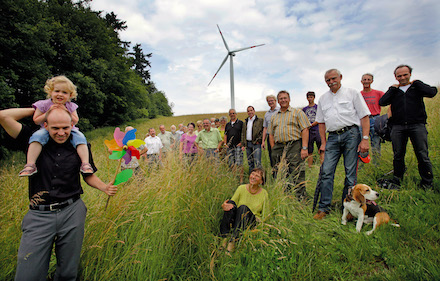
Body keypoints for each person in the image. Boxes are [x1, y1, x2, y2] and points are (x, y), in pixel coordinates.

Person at [0, 107, 117, 281]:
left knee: (68, 272)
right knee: (28, 274)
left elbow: (88, 175)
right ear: (45, 124)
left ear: (72, 125)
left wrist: (103, 187)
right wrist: (39, 107)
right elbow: (3, 116)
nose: (61, 133)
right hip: (39, 214)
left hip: (72, 211)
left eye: (65, 128)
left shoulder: (79, 144)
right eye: (55, 128)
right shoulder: (32, 139)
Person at [314, 69, 371, 220]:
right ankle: (323, 208)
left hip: (351, 135)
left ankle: (350, 208)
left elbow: (364, 117)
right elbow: (321, 122)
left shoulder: (352, 93)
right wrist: (323, 144)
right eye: (327, 80)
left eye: (333, 78)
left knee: (350, 174)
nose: (331, 82)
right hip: (332, 137)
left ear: (340, 77)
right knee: (326, 172)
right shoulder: (323, 99)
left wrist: (365, 139)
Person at [19, 75, 93, 177]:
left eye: (64, 92)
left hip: (69, 129)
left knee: (80, 138)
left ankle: (85, 163)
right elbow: (36, 120)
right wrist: (48, 112)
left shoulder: (70, 106)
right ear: (50, 92)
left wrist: (67, 111)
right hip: (47, 129)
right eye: (57, 91)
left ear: (70, 95)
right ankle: (30, 164)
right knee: (36, 137)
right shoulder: (44, 104)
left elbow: (75, 121)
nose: (60, 95)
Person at [379, 64, 437, 189]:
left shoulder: (416, 87)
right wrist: (392, 89)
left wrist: (418, 83)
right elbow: (382, 102)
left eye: (405, 74)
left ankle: (427, 182)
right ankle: (397, 179)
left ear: (410, 74)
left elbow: (432, 92)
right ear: (395, 77)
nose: (402, 77)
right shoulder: (395, 91)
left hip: (417, 125)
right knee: (398, 155)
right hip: (398, 127)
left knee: (422, 154)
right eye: (399, 76)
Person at [268, 90, 310, 199]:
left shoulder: (297, 112)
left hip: (294, 144)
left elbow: (305, 130)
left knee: (296, 170)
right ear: (278, 101)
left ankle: (300, 197)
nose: (283, 100)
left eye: (285, 98)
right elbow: (271, 134)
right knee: (279, 171)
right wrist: (273, 148)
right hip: (278, 146)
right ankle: (284, 196)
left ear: (289, 99)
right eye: (281, 99)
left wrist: (304, 148)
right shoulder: (274, 116)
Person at [219, 167, 269, 252]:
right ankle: (224, 237)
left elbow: (266, 216)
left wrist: (259, 230)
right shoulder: (241, 188)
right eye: (252, 174)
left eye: (257, 176)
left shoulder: (264, 193)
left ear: (261, 181)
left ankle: (233, 240)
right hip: (238, 219)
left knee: (243, 207)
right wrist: (225, 205)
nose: (253, 177)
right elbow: (232, 204)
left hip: (251, 222)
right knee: (230, 203)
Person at [360, 73, 384, 158]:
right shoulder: (359, 94)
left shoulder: (378, 93)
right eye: (364, 80)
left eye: (368, 79)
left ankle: (376, 166)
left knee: (376, 143)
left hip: (375, 119)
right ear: (361, 81)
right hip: (362, 120)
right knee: (361, 143)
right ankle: (361, 166)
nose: (366, 81)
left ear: (372, 81)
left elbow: (389, 100)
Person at [302, 91, 324, 168]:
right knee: (309, 150)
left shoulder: (318, 107)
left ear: (314, 97)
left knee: (321, 149)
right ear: (307, 98)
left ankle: (322, 166)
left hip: (317, 129)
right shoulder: (304, 109)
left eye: (311, 97)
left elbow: (320, 118)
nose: (310, 99)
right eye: (308, 97)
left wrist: (311, 124)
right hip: (308, 131)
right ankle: (310, 166)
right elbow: (303, 119)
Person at [241, 106, 263, 173]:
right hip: (248, 144)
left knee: (257, 162)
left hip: (256, 144)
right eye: (248, 111)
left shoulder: (260, 120)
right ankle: (251, 177)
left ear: (254, 111)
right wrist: (243, 144)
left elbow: (263, 131)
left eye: (251, 110)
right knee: (250, 162)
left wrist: (258, 140)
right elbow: (243, 133)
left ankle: (260, 179)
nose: (250, 112)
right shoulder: (246, 122)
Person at [224, 109, 244, 182]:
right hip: (230, 147)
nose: (232, 114)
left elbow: (243, 134)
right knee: (231, 164)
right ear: (229, 115)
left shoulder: (241, 123)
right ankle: (234, 179)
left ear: (236, 114)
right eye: (230, 113)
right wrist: (225, 144)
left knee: (239, 163)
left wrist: (241, 143)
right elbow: (225, 134)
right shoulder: (228, 124)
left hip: (238, 146)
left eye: (233, 113)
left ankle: (241, 179)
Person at [262, 95, 279, 168]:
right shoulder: (267, 114)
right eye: (269, 101)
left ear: (275, 101)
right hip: (269, 137)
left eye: (272, 100)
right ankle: (274, 173)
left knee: (280, 155)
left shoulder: (280, 110)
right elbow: (265, 128)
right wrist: (263, 141)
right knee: (271, 155)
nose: (270, 102)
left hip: (278, 136)